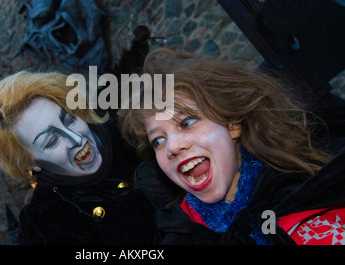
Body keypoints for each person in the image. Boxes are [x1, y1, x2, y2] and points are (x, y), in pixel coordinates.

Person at [119, 48, 345, 245]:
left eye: (187, 122)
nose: (173, 147)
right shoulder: (177, 233)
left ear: (233, 125)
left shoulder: (308, 199)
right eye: (158, 140)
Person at [0, 70, 157, 244]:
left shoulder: (134, 132)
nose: (76, 139)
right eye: (51, 141)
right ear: (30, 164)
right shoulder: (43, 225)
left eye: (69, 119)